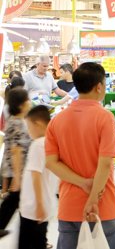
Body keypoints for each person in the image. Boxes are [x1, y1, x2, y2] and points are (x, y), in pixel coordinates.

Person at [45, 62, 115, 248]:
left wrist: (82, 182)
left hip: (69, 207)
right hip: (103, 206)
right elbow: (105, 164)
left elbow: (51, 162)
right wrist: (93, 198)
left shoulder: (57, 120)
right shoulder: (105, 117)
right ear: (99, 87)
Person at [19, 105, 57, 249]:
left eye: (29, 128)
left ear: (38, 124)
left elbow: (36, 175)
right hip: (43, 206)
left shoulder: (38, 145)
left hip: (33, 209)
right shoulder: (51, 142)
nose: (29, 132)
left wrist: (39, 205)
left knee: (28, 244)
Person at [0, 88, 32, 239]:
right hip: (18, 170)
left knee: (16, 202)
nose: (30, 103)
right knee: (15, 201)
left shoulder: (16, 121)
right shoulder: (17, 123)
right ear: (21, 105)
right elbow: (16, 150)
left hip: (18, 170)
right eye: (27, 100)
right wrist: (18, 177)